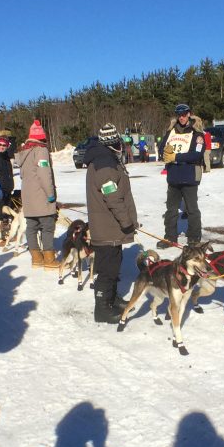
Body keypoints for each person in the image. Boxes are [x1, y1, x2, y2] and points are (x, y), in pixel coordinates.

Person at [85, 123, 138, 323]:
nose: (122, 145)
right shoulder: (105, 164)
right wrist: (127, 222)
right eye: (119, 142)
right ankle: (102, 309)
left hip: (110, 227)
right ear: (113, 142)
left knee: (114, 266)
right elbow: (113, 198)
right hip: (107, 227)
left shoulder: (106, 159)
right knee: (107, 270)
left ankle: (111, 298)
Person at [157, 103, 205, 248]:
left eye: (184, 114)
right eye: (179, 115)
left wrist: (176, 157)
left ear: (189, 114)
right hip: (173, 177)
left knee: (192, 209)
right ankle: (170, 237)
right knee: (171, 210)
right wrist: (165, 153)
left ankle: (194, 239)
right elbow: (161, 149)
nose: (182, 117)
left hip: (189, 176)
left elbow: (196, 154)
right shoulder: (170, 131)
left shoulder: (197, 133)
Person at [15, 120, 60, 269]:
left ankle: (36, 258)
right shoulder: (41, 151)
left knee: (32, 226)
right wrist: (50, 194)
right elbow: (44, 174)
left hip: (28, 196)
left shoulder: (24, 152)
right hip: (41, 196)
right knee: (47, 226)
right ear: (42, 137)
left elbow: (23, 176)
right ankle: (49, 259)